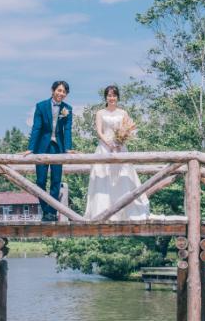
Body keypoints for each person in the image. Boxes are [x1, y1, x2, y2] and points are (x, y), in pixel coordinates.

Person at [84, 85, 150, 221]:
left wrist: (120, 142)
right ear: (105, 97)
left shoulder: (123, 113)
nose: (111, 98)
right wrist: (108, 144)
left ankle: (124, 211)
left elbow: (127, 130)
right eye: (109, 95)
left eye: (114, 95)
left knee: (122, 177)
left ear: (117, 97)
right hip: (104, 148)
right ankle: (101, 211)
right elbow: (99, 131)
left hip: (120, 148)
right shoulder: (100, 113)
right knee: (103, 177)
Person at [24, 81, 74, 221]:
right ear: (53, 91)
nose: (61, 94)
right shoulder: (41, 106)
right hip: (42, 146)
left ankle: (51, 212)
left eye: (64, 92)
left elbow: (67, 130)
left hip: (57, 146)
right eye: (59, 90)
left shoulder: (67, 109)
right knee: (40, 181)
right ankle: (45, 210)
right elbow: (36, 128)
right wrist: (30, 148)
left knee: (56, 181)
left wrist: (68, 148)